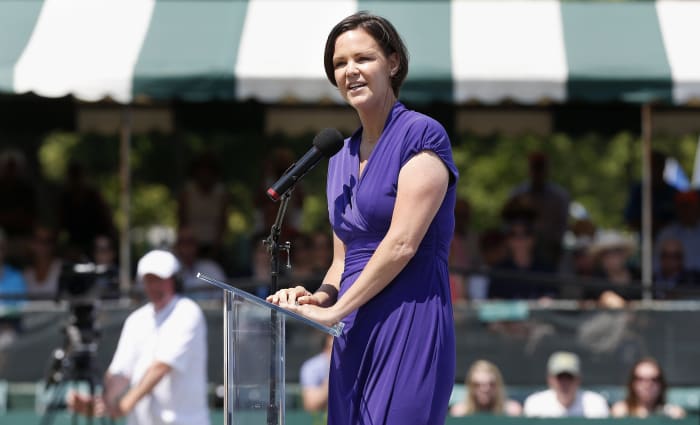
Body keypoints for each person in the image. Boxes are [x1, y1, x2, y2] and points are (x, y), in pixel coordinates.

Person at [267, 12, 458, 425]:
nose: (350, 71)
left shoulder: (422, 136)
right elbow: (343, 259)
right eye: (340, 64)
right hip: (353, 326)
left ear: (392, 63)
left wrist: (335, 313)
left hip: (409, 317)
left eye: (363, 59)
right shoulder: (339, 156)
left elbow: (403, 244)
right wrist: (318, 298)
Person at [68, 250, 210, 425]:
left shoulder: (187, 312)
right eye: (149, 280)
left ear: (174, 280)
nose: (154, 286)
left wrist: (124, 405)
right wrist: (101, 401)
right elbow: (120, 373)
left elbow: (161, 367)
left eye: (159, 279)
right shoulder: (136, 320)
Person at [507, 152, 570, 265]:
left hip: (550, 250)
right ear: (529, 170)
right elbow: (508, 222)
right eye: (535, 168)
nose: (538, 173)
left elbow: (562, 226)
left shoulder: (559, 196)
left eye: (541, 168)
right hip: (521, 251)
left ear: (547, 170)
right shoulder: (518, 194)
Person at [523, 351, 609, 418]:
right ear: (550, 379)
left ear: (578, 380)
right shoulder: (535, 404)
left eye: (569, 377)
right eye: (560, 377)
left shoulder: (596, 404)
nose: (564, 383)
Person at [177, 152, 229, 260]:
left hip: (214, 245)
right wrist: (185, 245)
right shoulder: (187, 192)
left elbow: (223, 221)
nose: (205, 175)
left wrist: (217, 246)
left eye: (208, 171)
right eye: (202, 171)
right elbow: (182, 219)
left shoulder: (221, 193)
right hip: (191, 244)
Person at [611, 357, 686, 419]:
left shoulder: (672, 414)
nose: (647, 385)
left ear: (661, 383)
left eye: (654, 379)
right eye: (640, 379)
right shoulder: (621, 412)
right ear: (632, 383)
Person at [450, 359, 522, 416]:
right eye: (477, 385)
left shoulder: (512, 412)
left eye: (491, 384)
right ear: (470, 387)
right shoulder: (459, 413)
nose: (485, 389)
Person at [174, 226, 226, 298]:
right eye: (182, 242)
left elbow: (222, 298)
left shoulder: (212, 268)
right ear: (176, 246)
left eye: (190, 242)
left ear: (196, 245)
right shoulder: (172, 272)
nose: (186, 247)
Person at [23, 226, 62, 299]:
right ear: (31, 244)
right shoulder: (27, 274)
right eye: (38, 240)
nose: (43, 245)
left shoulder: (62, 269)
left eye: (47, 241)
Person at [300, 333, 333, 414]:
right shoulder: (312, 366)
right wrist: (334, 376)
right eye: (333, 348)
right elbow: (310, 404)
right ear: (325, 349)